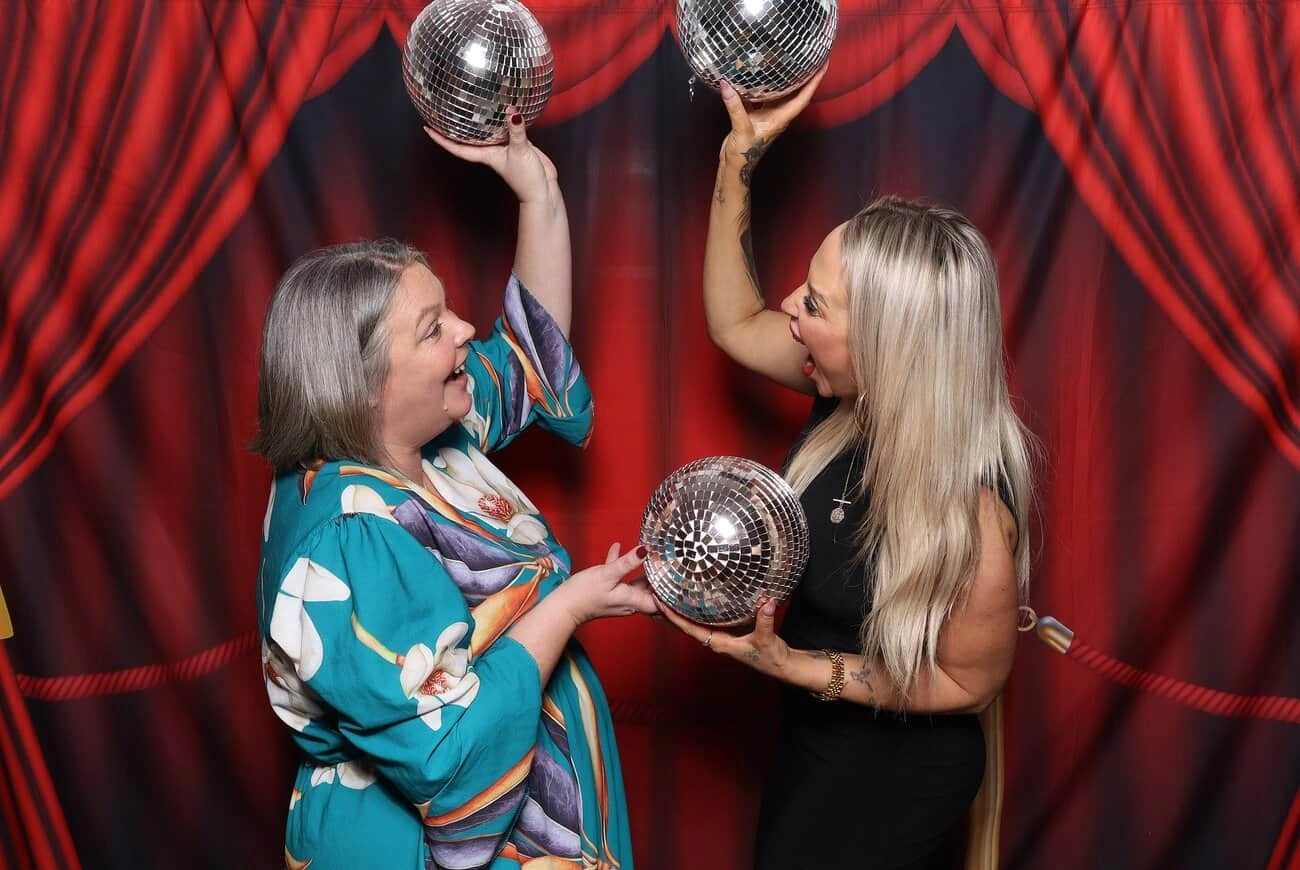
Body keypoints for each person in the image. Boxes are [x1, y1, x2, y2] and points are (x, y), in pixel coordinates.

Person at [252, 113, 656, 869]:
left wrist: (539, 193)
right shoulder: (346, 539)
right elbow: (449, 756)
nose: (468, 329)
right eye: (434, 328)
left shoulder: (428, 438)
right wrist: (569, 605)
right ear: (365, 385)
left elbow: (531, 356)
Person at [656, 71, 1035, 869]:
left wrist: (794, 667)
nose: (790, 305)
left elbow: (967, 684)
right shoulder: (846, 391)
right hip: (815, 739)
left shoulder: (972, 510)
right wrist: (736, 163)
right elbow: (735, 322)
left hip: (894, 776)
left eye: (816, 304)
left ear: (888, 345)